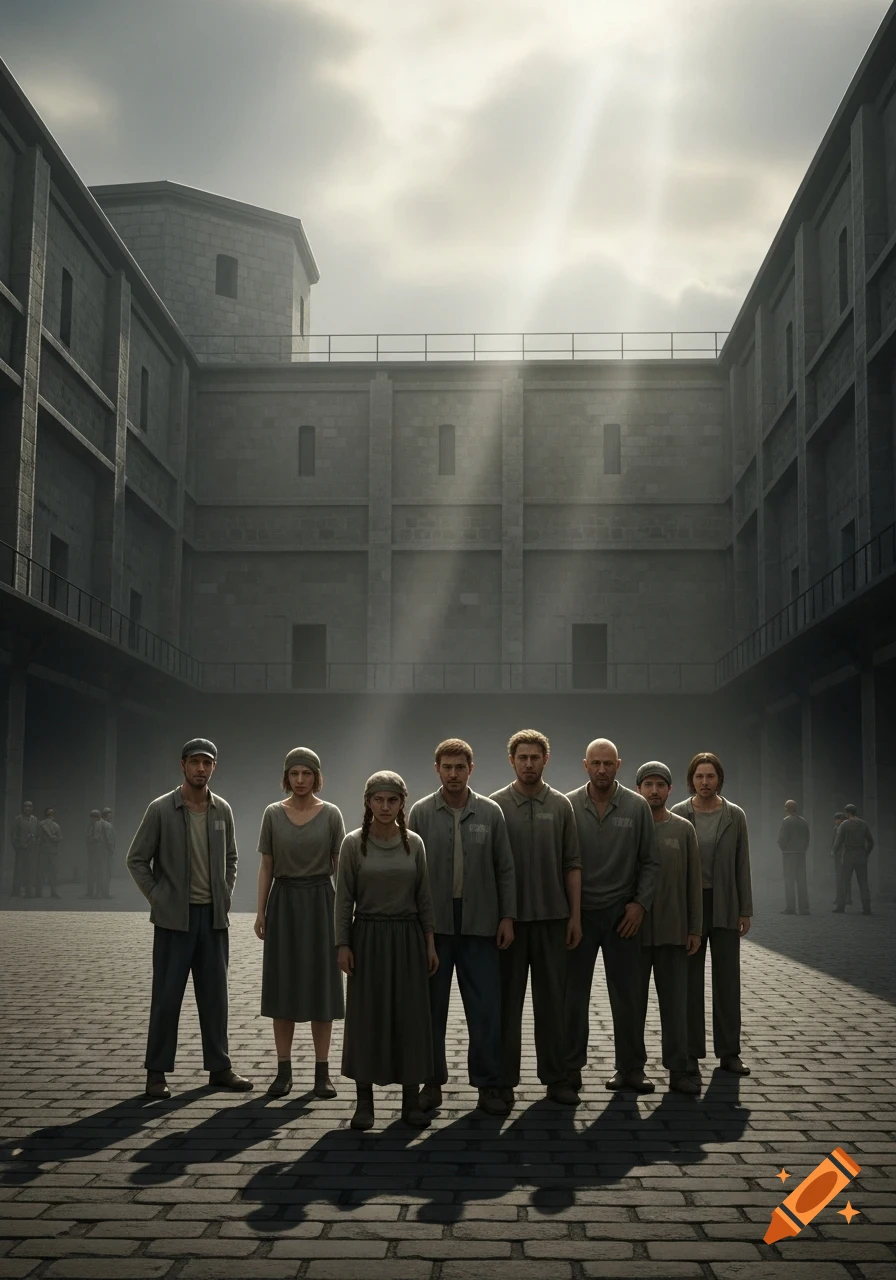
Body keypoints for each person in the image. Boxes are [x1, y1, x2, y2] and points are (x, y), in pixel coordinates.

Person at [126, 737, 253, 1099]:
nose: (201, 768)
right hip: (173, 922)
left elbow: (232, 858)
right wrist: (157, 896)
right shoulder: (162, 809)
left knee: (216, 998)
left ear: (214, 767)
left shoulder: (221, 810)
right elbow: (136, 859)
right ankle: (156, 1072)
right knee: (167, 998)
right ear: (182, 765)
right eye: (195, 762)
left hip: (212, 920)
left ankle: (220, 1068)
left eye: (207, 763)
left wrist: (225, 894)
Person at [408, 738, 516, 1118]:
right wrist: (417, 930)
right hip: (435, 925)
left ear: (472, 769)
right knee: (430, 1009)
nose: (453, 774)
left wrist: (506, 917)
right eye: (447, 767)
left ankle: (487, 1086)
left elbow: (505, 868)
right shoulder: (420, 813)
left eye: (460, 767)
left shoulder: (490, 813)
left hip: (481, 923)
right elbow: (411, 874)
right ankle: (431, 1082)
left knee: (485, 1009)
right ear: (436, 768)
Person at [335, 771, 437, 1130]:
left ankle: (411, 1100)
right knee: (367, 1019)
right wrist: (343, 944)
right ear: (367, 802)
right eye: (378, 799)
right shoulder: (352, 844)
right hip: (368, 938)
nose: (384, 806)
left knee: (410, 1018)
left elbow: (424, 898)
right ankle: (365, 1102)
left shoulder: (415, 844)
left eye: (392, 800)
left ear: (401, 803)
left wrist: (429, 942)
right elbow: (343, 898)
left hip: (407, 938)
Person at [490, 730, 582, 1109]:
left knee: (553, 1007)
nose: (528, 763)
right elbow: (490, 869)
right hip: (509, 925)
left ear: (546, 760)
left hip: (552, 922)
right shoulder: (494, 806)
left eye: (535, 757)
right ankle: (503, 1081)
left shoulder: (561, 806)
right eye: (522, 757)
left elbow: (572, 864)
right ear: (511, 760)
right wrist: (500, 918)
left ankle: (557, 1078)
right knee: (506, 1008)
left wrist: (574, 917)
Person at [565, 738, 660, 1096]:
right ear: (584, 765)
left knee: (629, 996)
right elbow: (563, 862)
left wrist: (640, 905)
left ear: (619, 764)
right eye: (595, 763)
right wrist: (570, 914)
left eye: (608, 763)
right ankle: (570, 1069)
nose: (602, 769)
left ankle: (631, 1069)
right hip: (581, 915)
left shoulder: (636, 807)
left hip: (623, 916)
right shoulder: (568, 805)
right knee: (573, 996)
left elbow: (650, 861)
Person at [254, 747, 345, 1100]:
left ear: (316, 776)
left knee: (323, 985)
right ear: (287, 777)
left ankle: (322, 1072)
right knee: (284, 986)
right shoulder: (273, 814)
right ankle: (283, 1070)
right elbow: (267, 865)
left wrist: (345, 914)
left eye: (307, 774)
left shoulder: (332, 814)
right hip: (285, 902)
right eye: (295, 774)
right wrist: (261, 911)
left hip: (322, 901)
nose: (301, 780)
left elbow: (341, 866)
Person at [671, 751, 753, 1080]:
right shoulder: (678, 813)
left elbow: (741, 864)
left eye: (711, 776)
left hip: (725, 904)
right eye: (699, 776)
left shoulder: (734, 815)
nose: (705, 782)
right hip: (690, 906)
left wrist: (745, 909)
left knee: (727, 981)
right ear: (690, 779)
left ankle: (729, 1052)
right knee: (689, 982)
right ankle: (691, 1052)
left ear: (720, 779)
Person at [634, 763, 702, 1095]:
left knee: (676, 1006)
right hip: (633, 933)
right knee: (632, 1005)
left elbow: (693, 883)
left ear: (670, 790)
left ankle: (681, 1069)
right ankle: (631, 1069)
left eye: (661, 784)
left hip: (675, 933)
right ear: (638, 788)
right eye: (648, 784)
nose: (654, 791)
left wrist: (694, 928)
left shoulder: (683, 829)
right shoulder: (630, 826)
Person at [832, 803, 874, 915]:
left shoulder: (844, 825)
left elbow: (838, 841)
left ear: (848, 813)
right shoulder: (863, 824)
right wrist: (866, 853)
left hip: (848, 855)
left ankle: (841, 907)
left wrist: (834, 851)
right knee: (863, 883)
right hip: (861, 854)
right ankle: (867, 908)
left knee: (843, 881)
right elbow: (871, 842)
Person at [777, 799, 809, 915]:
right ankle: (803, 908)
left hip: (789, 854)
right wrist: (803, 849)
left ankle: (791, 908)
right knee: (801, 881)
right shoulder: (803, 821)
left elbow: (782, 838)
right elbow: (807, 838)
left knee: (789, 881)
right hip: (800, 854)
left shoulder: (786, 821)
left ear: (787, 808)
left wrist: (784, 848)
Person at [11, 802, 38, 898]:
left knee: (30, 870)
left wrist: (33, 837)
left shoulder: (34, 819)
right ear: (23, 808)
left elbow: (36, 832)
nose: (28, 808)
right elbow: (14, 835)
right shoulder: (18, 819)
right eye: (26, 806)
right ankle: (16, 892)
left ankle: (29, 892)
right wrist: (17, 845)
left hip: (31, 848)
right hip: (20, 848)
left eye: (30, 806)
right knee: (18, 870)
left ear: (32, 808)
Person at [37, 807, 63, 898]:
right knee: (41, 872)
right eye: (49, 814)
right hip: (43, 851)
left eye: (51, 814)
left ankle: (54, 892)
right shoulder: (41, 825)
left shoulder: (56, 826)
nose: (50, 816)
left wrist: (55, 839)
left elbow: (60, 838)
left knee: (53, 873)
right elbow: (37, 837)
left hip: (53, 852)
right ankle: (38, 892)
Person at [831, 812, 851, 906]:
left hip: (845, 855)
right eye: (836, 819)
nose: (837, 821)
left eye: (838, 819)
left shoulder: (846, 829)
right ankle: (839, 897)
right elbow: (833, 842)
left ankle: (847, 898)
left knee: (845, 877)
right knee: (839, 877)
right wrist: (833, 852)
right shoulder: (835, 829)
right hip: (838, 856)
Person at [98, 808, 116, 899]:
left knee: (99, 872)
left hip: (98, 852)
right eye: (110, 815)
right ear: (107, 815)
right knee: (106, 872)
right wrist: (112, 849)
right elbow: (109, 839)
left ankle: (99, 893)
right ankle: (105, 893)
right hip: (106, 852)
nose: (111, 817)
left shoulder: (97, 823)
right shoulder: (107, 825)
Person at [85, 810, 102, 899]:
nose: (92, 819)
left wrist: (89, 839)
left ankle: (96, 892)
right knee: (92, 872)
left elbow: (96, 837)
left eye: (94, 817)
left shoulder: (97, 825)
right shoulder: (92, 825)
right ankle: (91, 892)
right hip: (92, 851)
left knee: (96, 872)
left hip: (96, 851)